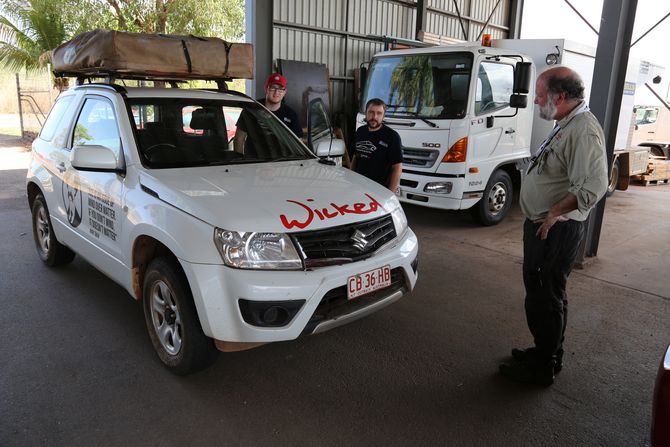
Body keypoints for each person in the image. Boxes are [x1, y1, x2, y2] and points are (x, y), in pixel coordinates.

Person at [498, 66, 608, 387]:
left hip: (555, 228)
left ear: (560, 97)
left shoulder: (583, 130)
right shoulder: (567, 122)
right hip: (544, 225)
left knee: (548, 294)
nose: (535, 100)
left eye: (540, 95)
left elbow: (592, 186)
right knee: (543, 292)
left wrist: (554, 212)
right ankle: (544, 351)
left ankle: (542, 366)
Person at [350, 98, 403, 193]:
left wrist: (390, 194)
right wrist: (351, 180)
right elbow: (355, 157)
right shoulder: (360, 131)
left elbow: (397, 167)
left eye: (379, 113)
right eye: (371, 112)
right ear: (366, 113)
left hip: (379, 191)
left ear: (383, 116)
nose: (374, 116)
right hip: (358, 187)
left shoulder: (392, 136)